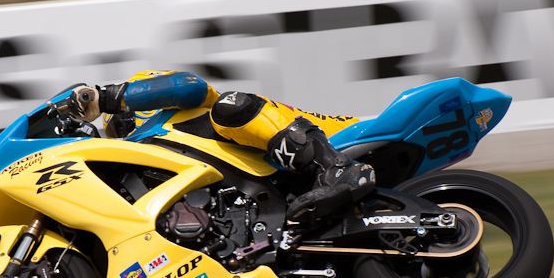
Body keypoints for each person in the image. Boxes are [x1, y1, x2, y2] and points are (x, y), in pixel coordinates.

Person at [68, 70, 375, 224]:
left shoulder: (190, 110)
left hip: (346, 137)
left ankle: (337, 168)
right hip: (289, 184)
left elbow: (190, 86)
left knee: (230, 107)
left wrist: (108, 98)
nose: (122, 139)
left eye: (122, 127)